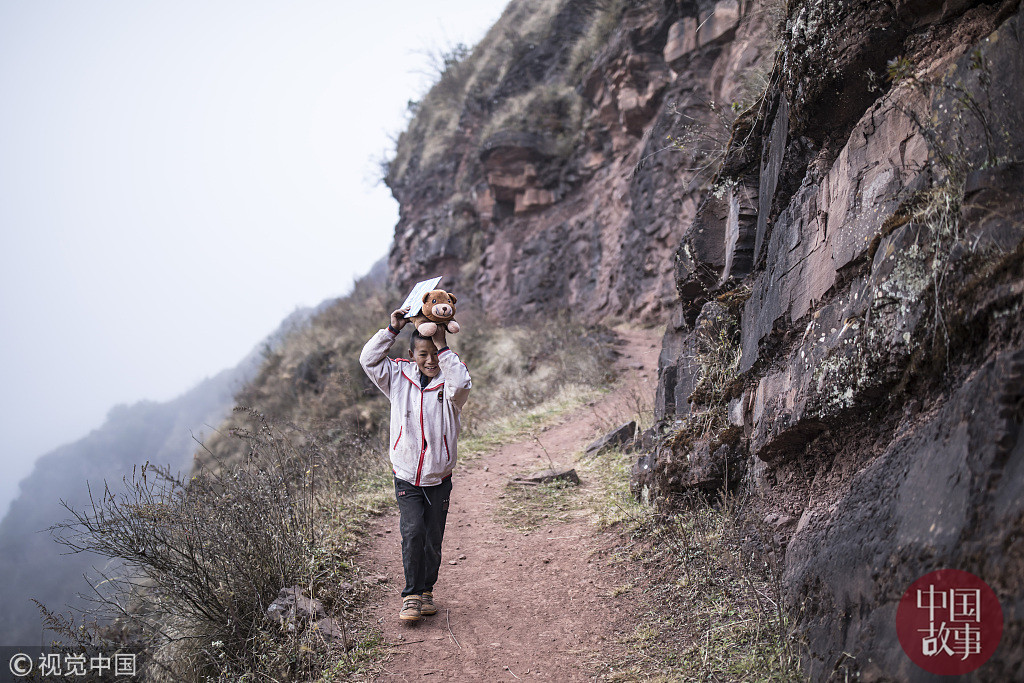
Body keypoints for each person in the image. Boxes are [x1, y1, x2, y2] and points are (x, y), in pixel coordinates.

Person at [359, 305, 472, 622]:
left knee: (433, 538)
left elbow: (462, 385)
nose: (430, 360)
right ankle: (410, 596)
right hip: (407, 475)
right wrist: (391, 330)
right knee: (413, 532)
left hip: (439, 477)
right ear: (411, 354)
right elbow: (368, 359)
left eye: (434, 353)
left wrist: (443, 346)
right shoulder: (397, 377)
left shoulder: (451, 382)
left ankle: (425, 592)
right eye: (423, 354)